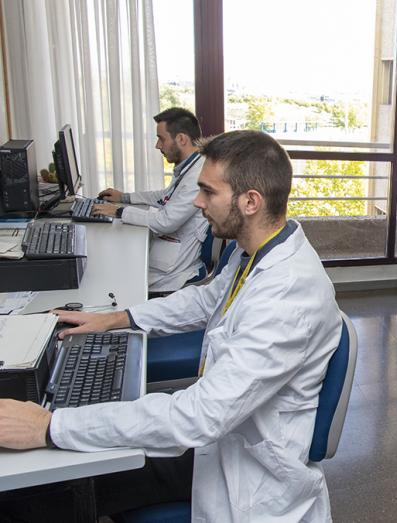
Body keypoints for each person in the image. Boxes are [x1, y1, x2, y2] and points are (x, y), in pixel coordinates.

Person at [0, 130, 343, 521]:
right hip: (222, 439)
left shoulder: (287, 296)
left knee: (47, 492)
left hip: (247, 472)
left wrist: (50, 426)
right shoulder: (262, 248)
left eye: (208, 192)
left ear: (251, 202)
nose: (197, 202)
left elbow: (198, 417)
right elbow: (206, 298)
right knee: (57, 479)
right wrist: (117, 318)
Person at [94, 107, 209, 294]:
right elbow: (166, 196)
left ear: (181, 139)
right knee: (110, 262)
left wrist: (118, 211)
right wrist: (124, 197)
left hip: (174, 273)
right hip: (166, 255)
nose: (158, 145)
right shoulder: (191, 167)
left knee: (106, 277)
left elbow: (166, 222)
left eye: (161, 138)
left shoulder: (198, 177)